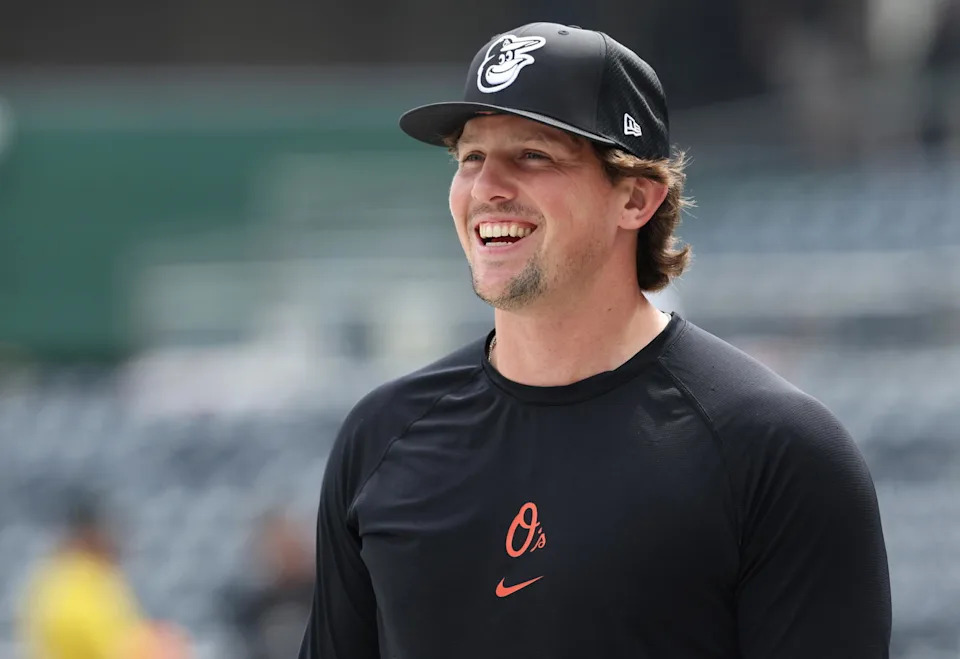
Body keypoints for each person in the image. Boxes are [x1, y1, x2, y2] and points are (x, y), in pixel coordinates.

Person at [299, 22, 891, 659]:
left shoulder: (776, 448)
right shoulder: (382, 436)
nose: (485, 187)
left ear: (636, 197)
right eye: (470, 157)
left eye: (532, 155)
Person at [19, 490, 190, 659]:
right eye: (109, 529)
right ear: (88, 533)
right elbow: (112, 647)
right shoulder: (74, 584)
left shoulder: (92, 576)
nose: (117, 538)